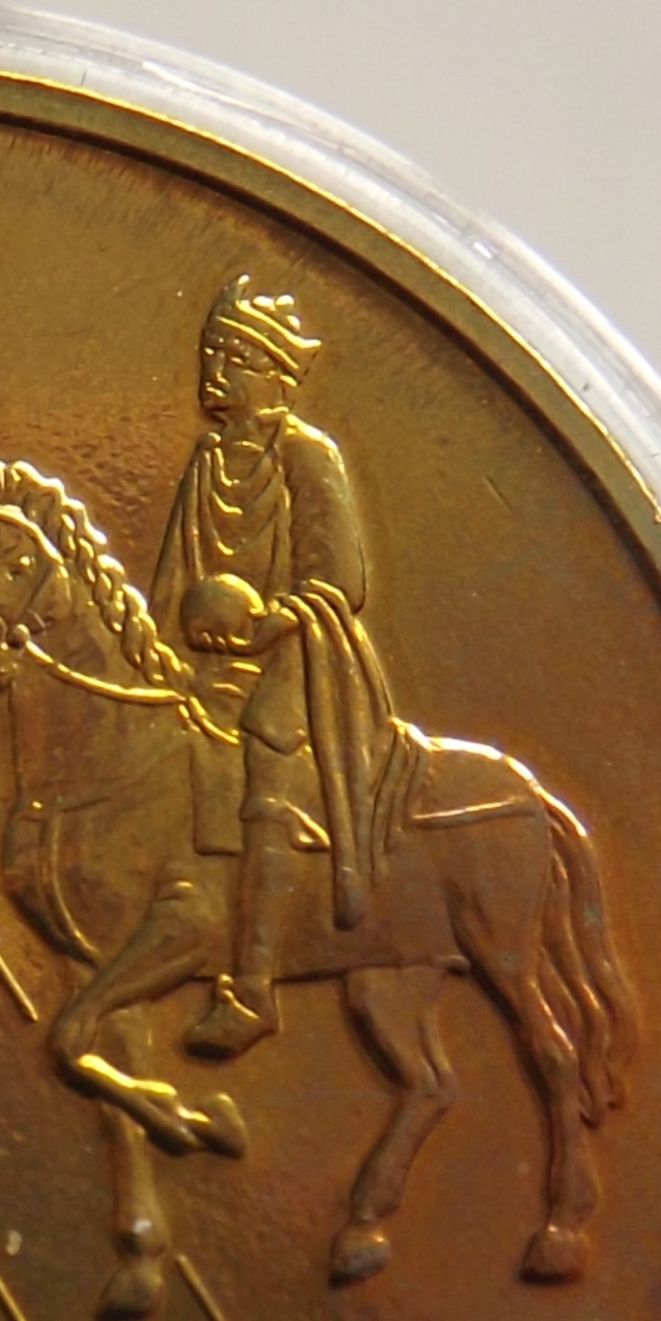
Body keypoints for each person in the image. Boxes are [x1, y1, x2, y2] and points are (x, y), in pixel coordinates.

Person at [144, 276, 402, 1059]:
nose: (214, 370)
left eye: (234, 357)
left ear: (275, 373)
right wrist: (162, 649)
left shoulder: (305, 454)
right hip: (210, 655)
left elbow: (341, 582)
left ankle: (252, 989)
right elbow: (171, 580)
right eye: (210, 354)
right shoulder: (206, 460)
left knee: (265, 779)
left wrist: (265, 628)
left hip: (300, 659)